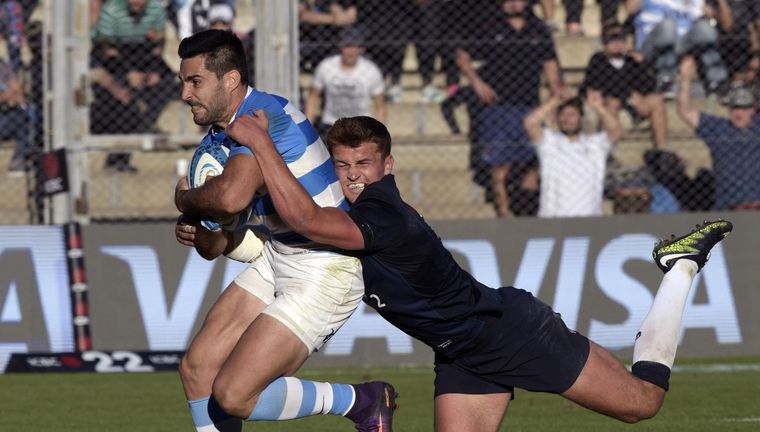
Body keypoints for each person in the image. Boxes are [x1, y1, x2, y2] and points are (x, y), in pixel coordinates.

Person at [226, 113, 733, 431]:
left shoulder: (384, 215)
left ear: (388, 165)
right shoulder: (349, 219)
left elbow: (303, 219)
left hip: (509, 334)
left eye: (364, 162)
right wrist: (214, 236)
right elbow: (286, 237)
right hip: (460, 355)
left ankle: (680, 266)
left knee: (641, 404)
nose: (354, 174)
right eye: (342, 164)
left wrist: (262, 144)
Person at [172, 30, 395, 432]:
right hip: (279, 256)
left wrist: (186, 201)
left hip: (327, 269)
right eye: (184, 82)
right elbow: (216, 243)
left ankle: (361, 401)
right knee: (197, 368)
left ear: (231, 80)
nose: (186, 93)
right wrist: (198, 230)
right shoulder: (218, 141)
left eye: (195, 82)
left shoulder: (265, 115)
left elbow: (230, 198)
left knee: (234, 395)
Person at [455, 0, 561, 218]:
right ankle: (504, 214)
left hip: (529, 108)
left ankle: (528, 212)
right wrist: (476, 82)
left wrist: (554, 92)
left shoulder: (538, 28)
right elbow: (462, 56)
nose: (513, 4)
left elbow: (550, 63)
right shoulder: (489, 26)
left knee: (532, 165)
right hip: (497, 109)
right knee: (499, 169)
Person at [90, 0, 178, 173]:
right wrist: (129, 72)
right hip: (113, 55)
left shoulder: (156, 10)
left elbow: (158, 44)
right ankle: (116, 157)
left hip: (142, 53)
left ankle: (146, 122)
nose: (137, 3)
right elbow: (106, 49)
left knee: (170, 83)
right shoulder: (112, 10)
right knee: (122, 97)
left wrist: (153, 71)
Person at [676, 54, 760, 210]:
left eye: (744, 108)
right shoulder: (718, 128)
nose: (738, 114)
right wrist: (686, 78)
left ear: (753, 110)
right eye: (734, 108)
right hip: (730, 209)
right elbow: (685, 111)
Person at [523, 89, 623, 217]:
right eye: (563, 115)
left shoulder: (595, 143)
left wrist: (599, 107)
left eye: (572, 115)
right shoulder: (549, 141)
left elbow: (617, 131)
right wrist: (554, 101)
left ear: (581, 118)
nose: (567, 119)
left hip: (589, 219)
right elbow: (529, 123)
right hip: (552, 219)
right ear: (557, 118)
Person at [582, 22, 668, 148]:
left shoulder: (631, 61)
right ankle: (605, 151)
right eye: (612, 39)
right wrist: (630, 94)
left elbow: (649, 85)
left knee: (656, 100)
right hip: (608, 103)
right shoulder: (598, 60)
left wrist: (643, 63)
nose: (617, 43)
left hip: (629, 105)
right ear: (604, 42)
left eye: (621, 38)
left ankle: (660, 151)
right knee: (613, 102)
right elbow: (602, 84)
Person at [625, 0, 732, 94]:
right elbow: (629, 9)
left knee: (705, 28)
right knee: (668, 26)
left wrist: (711, 14)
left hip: (681, 44)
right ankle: (665, 78)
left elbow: (723, 25)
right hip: (651, 44)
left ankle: (718, 81)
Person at [304, 26, 386, 137]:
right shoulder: (326, 66)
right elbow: (312, 97)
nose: (350, 51)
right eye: (347, 46)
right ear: (340, 47)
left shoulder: (371, 71)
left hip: (361, 126)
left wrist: (377, 134)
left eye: (355, 46)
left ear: (361, 49)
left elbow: (380, 106)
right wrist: (308, 128)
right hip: (331, 124)